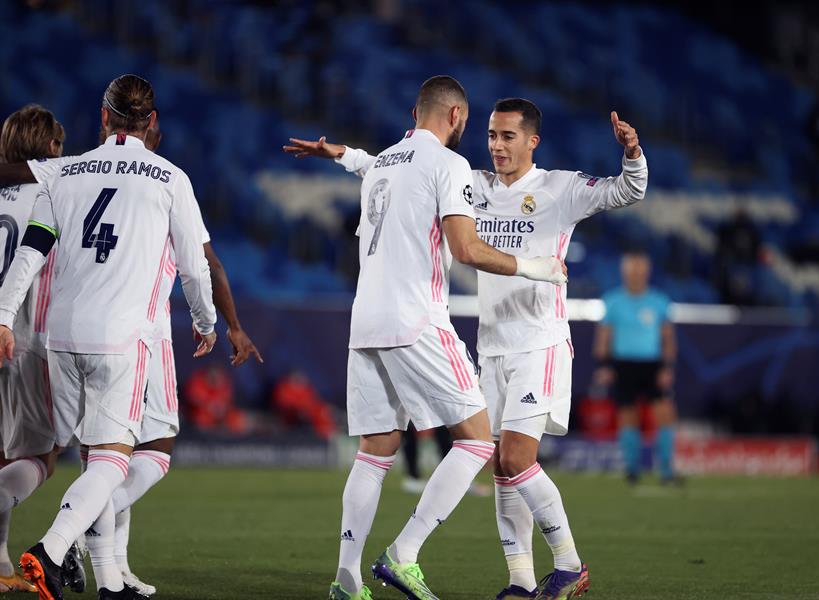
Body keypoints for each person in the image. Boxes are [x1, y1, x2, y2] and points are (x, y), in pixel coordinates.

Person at [285, 96, 647, 599]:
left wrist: (631, 153)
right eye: (492, 135)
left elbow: (628, 189)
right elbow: (391, 167)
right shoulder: (471, 184)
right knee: (499, 464)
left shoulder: (560, 188)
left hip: (539, 344)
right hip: (493, 345)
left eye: (508, 137)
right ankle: (520, 579)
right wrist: (340, 154)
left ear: (532, 141)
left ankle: (568, 564)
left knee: (516, 458)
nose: (497, 146)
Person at [308, 76, 566, 600]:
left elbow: (370, 164)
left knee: (375, 451)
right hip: (417, 319)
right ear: (456, 118)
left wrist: (342, 154)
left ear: (415, 111)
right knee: (477, 440)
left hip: (366, 324)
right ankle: (404, 555)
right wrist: (534, 267)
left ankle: (347, 577)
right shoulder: (448, 165)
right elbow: (466, 248)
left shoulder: (383, 162)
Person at [8, 107, 264, 598]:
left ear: (104, 118)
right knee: (133, 454)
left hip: (57, 333)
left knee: (91, 454)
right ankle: (59, 544)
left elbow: (32, 222)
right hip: (136, 337)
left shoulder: (72, 171)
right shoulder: (164, 181)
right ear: (150, 127)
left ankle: (111, 577)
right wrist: (217, 323)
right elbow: (202, 263)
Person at [0, 104, 64, 595]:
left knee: (3, 453)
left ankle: (0, 565)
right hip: (25, 338)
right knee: (44, 453)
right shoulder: (53, 188)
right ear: (50, 148)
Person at [594, 251, 678, 485]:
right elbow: (604, 337)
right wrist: (604, 366)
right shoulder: (613, 301)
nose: (636, 274)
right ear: (624, 271)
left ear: (647, 271)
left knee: (665, 416)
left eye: (640, 269)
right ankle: (632, 470)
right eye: (632, 269)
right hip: (623, 366)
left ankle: (666, 471)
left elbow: (668, 338)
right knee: (628, 418)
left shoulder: (659, 301)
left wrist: (667, 367)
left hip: (653, 365)